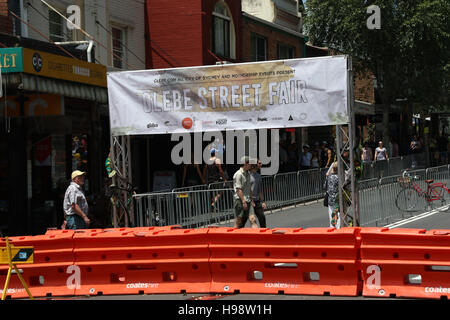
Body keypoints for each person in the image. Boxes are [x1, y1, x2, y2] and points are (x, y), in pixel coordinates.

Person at [233, 156, 257, 229]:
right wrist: (243, 201)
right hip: (240, 200)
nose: (251, 165)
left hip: (248, 200)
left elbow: (249, 188)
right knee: (239, 220)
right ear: (245, 163)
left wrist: (252, 200)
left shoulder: (248, 174)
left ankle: (256, 237)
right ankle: (234, 236)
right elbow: (238, 189)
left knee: (253, 219)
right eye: (250, 163)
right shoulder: (238, 174)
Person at [326, 162, 340, 229]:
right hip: (337, 198)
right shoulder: (338, 178)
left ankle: (332, 227)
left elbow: (324, 186)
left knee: (331, 213)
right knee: (338, 214)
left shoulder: (329, 177)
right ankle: (338, 227)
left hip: (330, 198)